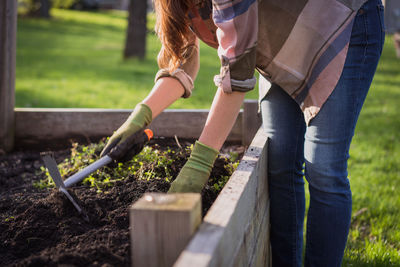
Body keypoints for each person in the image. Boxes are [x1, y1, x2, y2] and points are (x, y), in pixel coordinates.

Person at [101, 0, 385, 266]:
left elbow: (236, 77)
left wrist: (199, 165)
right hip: (279, 47)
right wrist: (140, 116)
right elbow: (182, 58)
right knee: (280, 164)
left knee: (324, 167)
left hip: (342, 26)